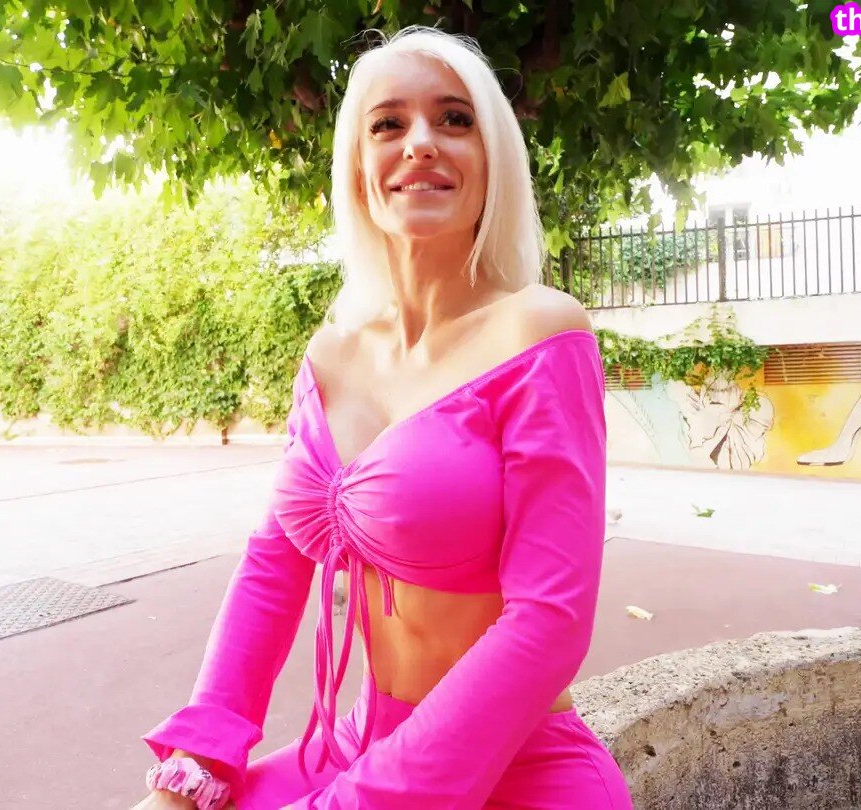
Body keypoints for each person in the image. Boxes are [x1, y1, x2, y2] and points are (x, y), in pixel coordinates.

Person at [140, 25, 629, 810]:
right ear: (359, 165)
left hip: (520, 771)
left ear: (492, 155)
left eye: (454, 119)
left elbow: (550, 621)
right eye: (388, 123)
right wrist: (198, 765)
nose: (421, 142)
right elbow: (273, 562)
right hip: (354, 747)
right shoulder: (331, 351)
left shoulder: (540, 331)